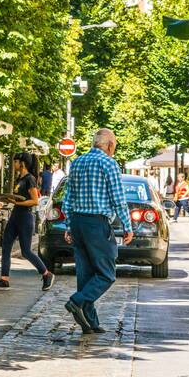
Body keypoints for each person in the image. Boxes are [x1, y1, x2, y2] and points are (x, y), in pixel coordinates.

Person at [62, 128, 132, 333]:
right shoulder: (108, 163)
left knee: (85, 273)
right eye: (115, 145)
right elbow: (118, 199)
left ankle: (90, 321)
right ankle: (77, 301)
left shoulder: (77, 162)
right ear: (109, 145)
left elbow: (68, 198)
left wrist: (68, 225)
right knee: (106, 273)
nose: (114, 149)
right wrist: (127, 226)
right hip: (97, 223)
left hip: (77, 221)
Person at [0, 152, 53, 291]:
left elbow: (34, 201)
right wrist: (10, 200)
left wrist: (16, 202)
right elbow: (19, 198)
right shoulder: (19, 179)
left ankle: (46, 274)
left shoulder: (30, 179)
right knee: (6, 247)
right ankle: (4, 279)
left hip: (25, 217)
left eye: (15, 161)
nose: (14, 164)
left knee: (26, 251)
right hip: (15, 215)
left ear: (22, 163)